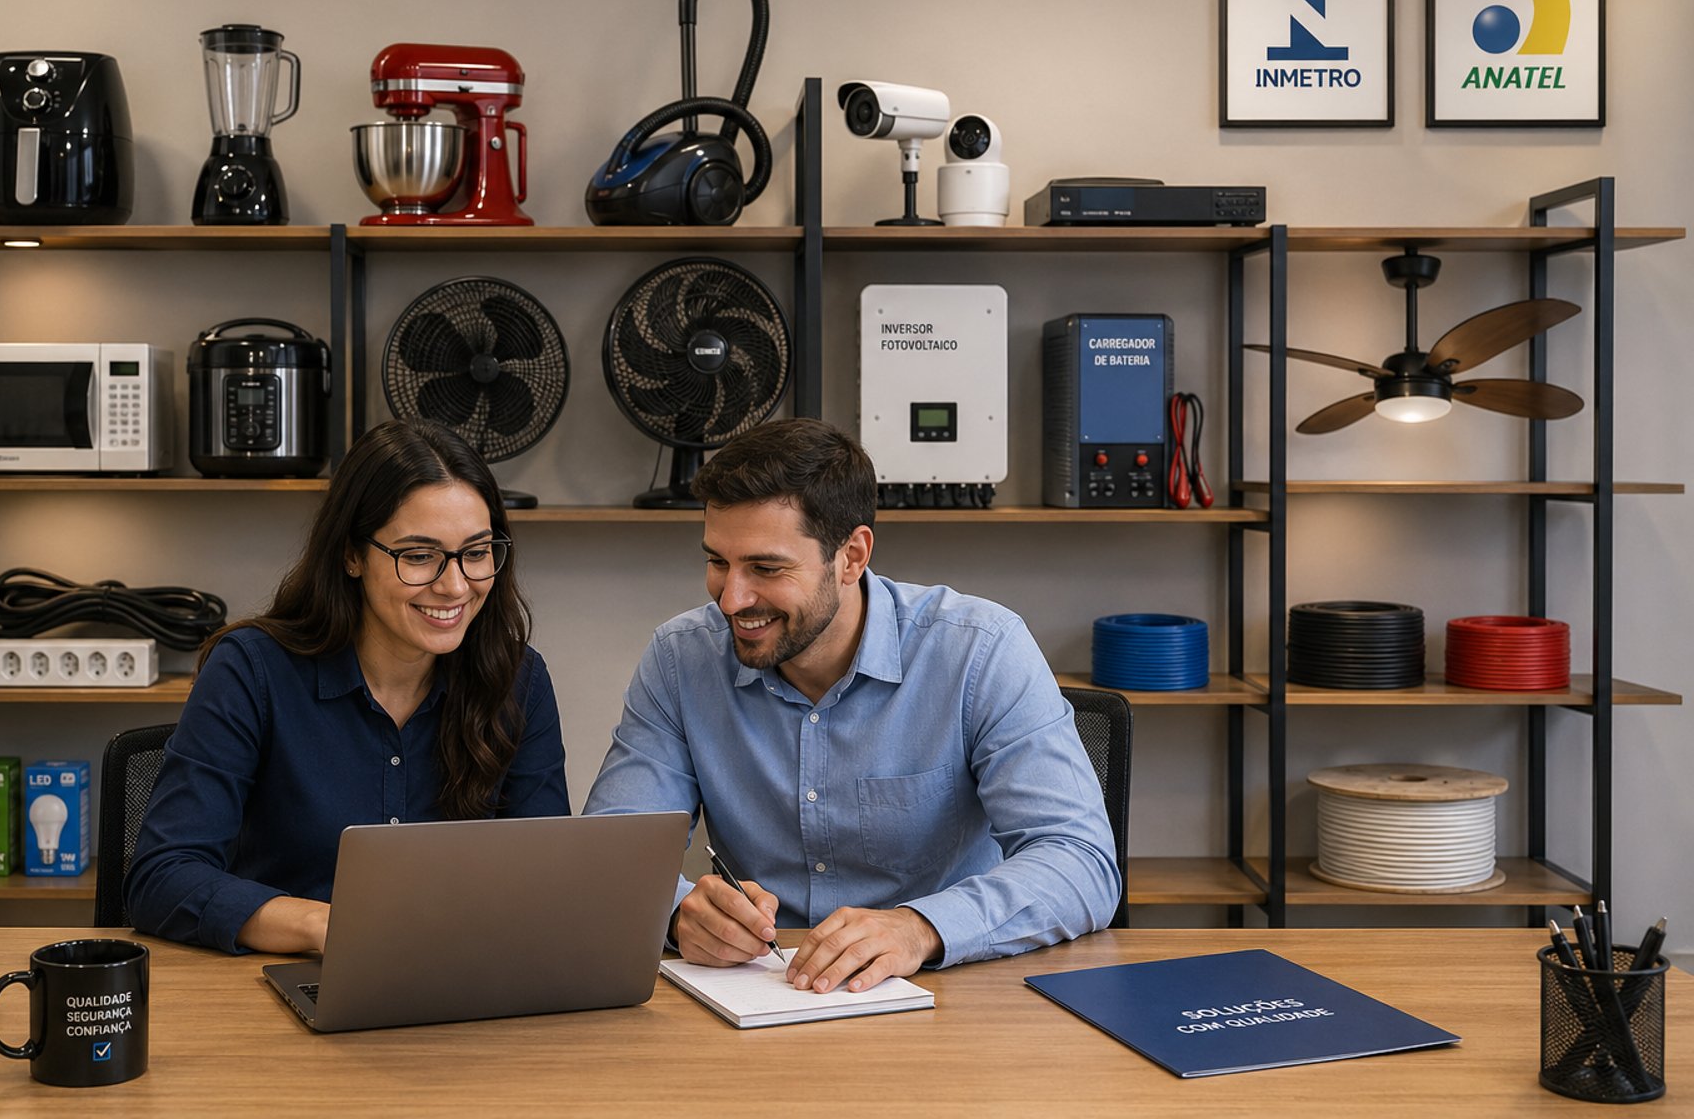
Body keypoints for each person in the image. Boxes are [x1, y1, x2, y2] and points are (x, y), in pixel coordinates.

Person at [583, 417, 1118, 994]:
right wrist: (677, 913)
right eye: (717, 561)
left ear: (852, 556)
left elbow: (1079, 862)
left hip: (953, 995)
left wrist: (919, 929)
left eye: (766, 568)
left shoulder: (978, 650)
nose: (732, 599)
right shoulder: (679, 659)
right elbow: (612, 855)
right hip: (761, 995)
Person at [127, 419, 569, 954]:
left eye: (476, 553)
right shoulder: (251, 670)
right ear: (353, 555)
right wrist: (325, 925)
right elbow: (161, 877)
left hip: (459, 986)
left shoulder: (519, 681)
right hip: (277, 986)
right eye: (419, 556)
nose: (455, 586)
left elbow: (546, 885)